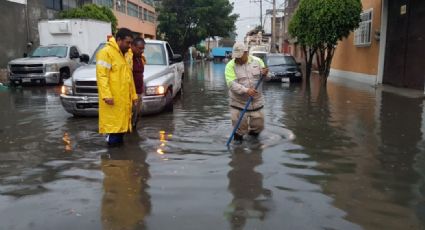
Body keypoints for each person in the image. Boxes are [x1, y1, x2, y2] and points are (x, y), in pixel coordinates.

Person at [96, 28, 138, 146]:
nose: (129, 46)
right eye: (128, 42)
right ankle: (112, 162)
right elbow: (102, 76)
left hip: (123, 101)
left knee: (121, 131)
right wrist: (106, 95)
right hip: (112, 100)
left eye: (131, 43)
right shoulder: (106, 53)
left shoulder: (125, 55)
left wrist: (134, 96)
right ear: (119, 40)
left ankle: (120, 162)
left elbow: (129, 78)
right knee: (113, 133)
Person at [225, 42, 269, 143]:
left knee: (258, 127)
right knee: (239, 132)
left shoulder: (258, 61)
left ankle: (253, 147)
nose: (238, 59)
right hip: (238, 104)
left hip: (257, 103)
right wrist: (246, 90)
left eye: (240, 56)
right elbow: (231, 84)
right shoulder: (230, 66)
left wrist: (266, 74)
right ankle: (238, 151)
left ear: (246, 53)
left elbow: (267, 78)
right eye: (236, 57)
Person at [126, 37, 146, 129]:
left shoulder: (140, 58)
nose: (142, 51)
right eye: (140, 48)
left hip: (139, 92)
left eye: (143, 48)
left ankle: (134, 135)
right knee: (129, 117)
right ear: (133, 46)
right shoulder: (128, 58)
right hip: (130, 94)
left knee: (137, 115)